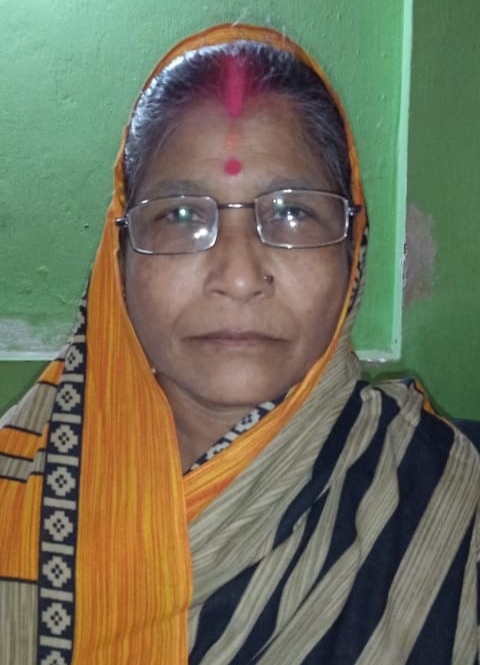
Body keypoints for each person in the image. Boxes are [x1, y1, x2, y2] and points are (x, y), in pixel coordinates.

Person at [1, 23, 479, 665]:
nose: (238, 275)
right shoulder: (13, 495)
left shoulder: (452, 503)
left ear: (352, 246)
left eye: (291, 211)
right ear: (120, 256)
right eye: (180, 215)